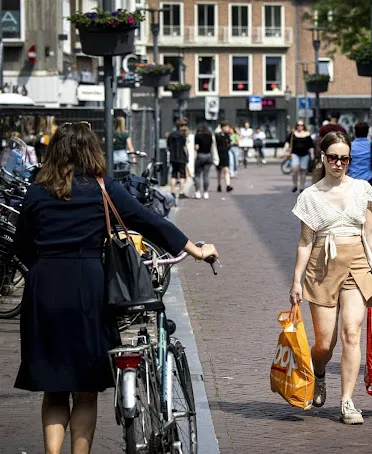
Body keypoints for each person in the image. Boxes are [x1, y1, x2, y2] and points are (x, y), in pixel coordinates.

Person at [12, 122, 219, 454]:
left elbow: (20, 246)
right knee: (85, 388)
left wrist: (43, 265)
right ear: (91, 151)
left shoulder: (37, 192)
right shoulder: (103, 189)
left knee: (53, 388)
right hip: (88, 288)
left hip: (44, 288)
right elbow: (150, 221)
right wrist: (196, 250)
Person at [290, 131, 372, 425]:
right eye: (333, 157)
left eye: (345, 158)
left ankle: (347, 401)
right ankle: (319, 374)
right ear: (322, 157)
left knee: (351, 333)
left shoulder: (362, 189)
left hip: (357, 266)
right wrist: (296, 281)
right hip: (322, 268)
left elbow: (370, 233)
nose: (339, 163)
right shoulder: (310, 196)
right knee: (324, 343)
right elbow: (305, 242)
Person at [347, 122, 372, 193]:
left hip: (352, 179)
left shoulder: (349, 146)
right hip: (369, 179)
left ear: (355, 132)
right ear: (367, 132)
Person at [283, 121, 314, 193]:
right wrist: (284, 151)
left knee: (303, 171)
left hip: (305, 155)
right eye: (298, 125)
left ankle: (302, 186)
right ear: (296, 125)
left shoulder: (307, 134)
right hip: (295, 154)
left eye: (301, 125)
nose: (300, 126)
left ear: (304, 126)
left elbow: (311, 145)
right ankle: (295, 185)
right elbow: (287, 142)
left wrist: (312, 154)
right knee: (295, 169)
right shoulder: (293, 133)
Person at [194, 123, 218, 200]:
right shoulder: (209, 136)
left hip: (200, 155)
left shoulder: (197, 136)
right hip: (208, 156)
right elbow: (212, 146)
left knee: (197, 175)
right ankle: (205, 192)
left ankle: (197, 192)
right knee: (206, 175)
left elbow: (196, 147)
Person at [168, 119, 190, 199]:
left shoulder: (171, 135)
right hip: (181, 157)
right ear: (181, 126)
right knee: (182, 175)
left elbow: (168, 146)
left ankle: (172, 191)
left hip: (173, 158)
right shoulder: (182, 136)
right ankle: (181, 192)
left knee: (173, 174)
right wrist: (187, 156)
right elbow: (184, 147)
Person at [215, 121, 233, 193]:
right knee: (219, 171)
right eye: (226, 127)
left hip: (225, 154)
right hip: (218, 155)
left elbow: (229, 143)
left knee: (226, 169)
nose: (227, 128)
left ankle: (228, 185)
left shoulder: (227, 135)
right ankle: (219, 185)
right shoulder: (218, 135)